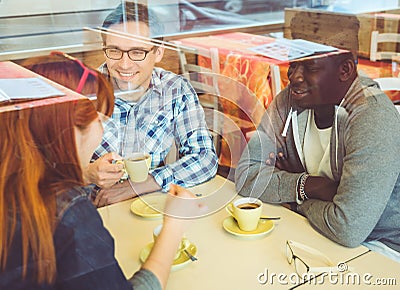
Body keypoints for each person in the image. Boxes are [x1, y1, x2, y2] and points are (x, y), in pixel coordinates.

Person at [0, 77, 204, 289]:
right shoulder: (71, 213)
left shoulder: (13, 182)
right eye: (102, 121)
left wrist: (84, 175)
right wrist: (174, 226)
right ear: (72, 127)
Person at [235, 51, 400, 261]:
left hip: (380, 249)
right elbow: (246, 176)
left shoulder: (371, 117)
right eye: (293, 65)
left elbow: (347, 228)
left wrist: (296, 201)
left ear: (345, 70)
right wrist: (308, 185)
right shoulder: (289, 100)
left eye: (310, 68)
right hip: (315, 231)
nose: (294, 76)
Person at [85, 2, 218, 206]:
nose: (124, 64)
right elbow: (43, 168)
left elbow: (205, 158)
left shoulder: (175, 89)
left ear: (158, 52)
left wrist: (141, 184)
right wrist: (87, 174)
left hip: (146, 206)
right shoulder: (82, 91)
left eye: (137, 52)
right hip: (89, 210)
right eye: (114, 50)